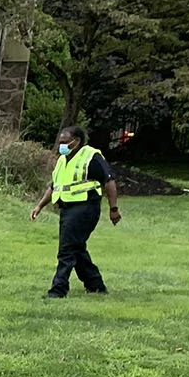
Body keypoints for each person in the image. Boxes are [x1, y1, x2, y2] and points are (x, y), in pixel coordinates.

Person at [30, 124, 121, 298]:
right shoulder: (62, 161)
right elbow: (54, 186)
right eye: (60, 142)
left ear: (77, 141)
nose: (61, 145)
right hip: (67, 209)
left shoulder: (91, 157)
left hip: (85, 208)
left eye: (65, 142)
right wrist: (40, 206)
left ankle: (58, 290)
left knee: (66, 250)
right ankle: (95, 285)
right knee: (76, 248)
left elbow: (109, 182)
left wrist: (113, 209)